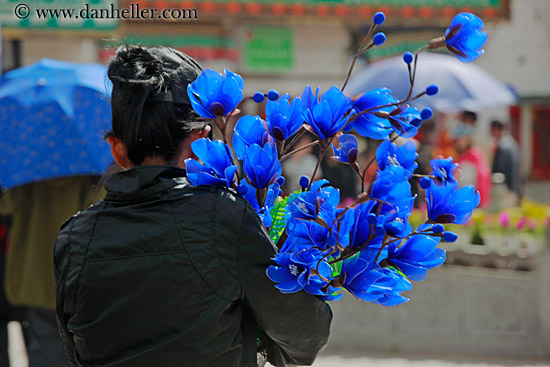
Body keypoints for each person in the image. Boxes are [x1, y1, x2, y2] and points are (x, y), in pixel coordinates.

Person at [54, 45, 332, 367]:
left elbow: (75, 350)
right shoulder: (224, 217)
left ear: (117, 150)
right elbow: (305, 333)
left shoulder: (72, 239)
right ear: (200, 140)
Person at [0, 176, 104, 367]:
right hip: (75, 271)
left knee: (43, 343)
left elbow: (6, 206)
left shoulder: (26, 172)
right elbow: (98, 205)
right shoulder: (86, 174)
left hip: (35, 274)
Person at [453, 124, 492, 208]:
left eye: (462, 139)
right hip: (462, 199)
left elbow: (483, 176)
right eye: (458, 139)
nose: (459, 142)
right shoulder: (460, 156)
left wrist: (481, 199)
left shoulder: (475, 155)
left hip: (474, 199)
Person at [490, 120, 520, 199]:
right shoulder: (511, 142)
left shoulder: (503, 146)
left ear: (497, 129)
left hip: (506, 188)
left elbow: (500, 169)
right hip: (513, 186)